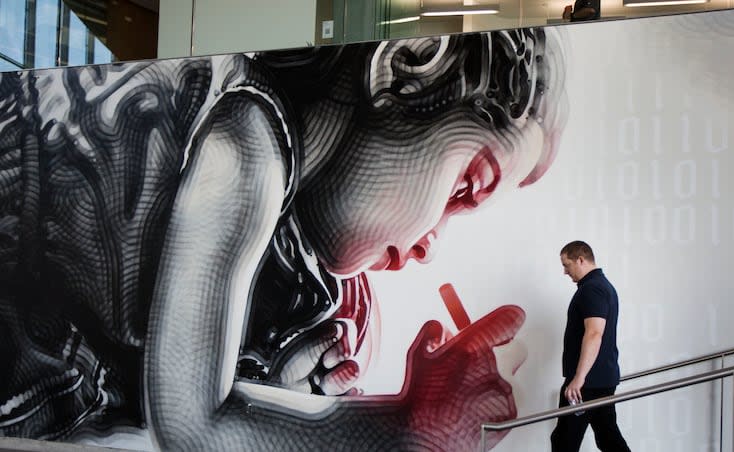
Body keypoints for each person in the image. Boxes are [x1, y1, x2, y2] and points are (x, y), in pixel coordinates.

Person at [0, 28, 567, 451]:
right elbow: (191, 428)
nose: (430, 246)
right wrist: (413, 429)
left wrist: (275, 391)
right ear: (402, 69)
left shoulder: (292, 245)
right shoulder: (249, 142)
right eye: (466, 186)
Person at [551, 241, 630, 452]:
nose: (565, 272)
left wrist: (578, 378)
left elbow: (595, 333)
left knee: (563, 441)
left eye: (567, 265)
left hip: (587, 383)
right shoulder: (602, 286)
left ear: (581, 260)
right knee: (608, 437)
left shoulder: (592, 289)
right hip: (600, 379)